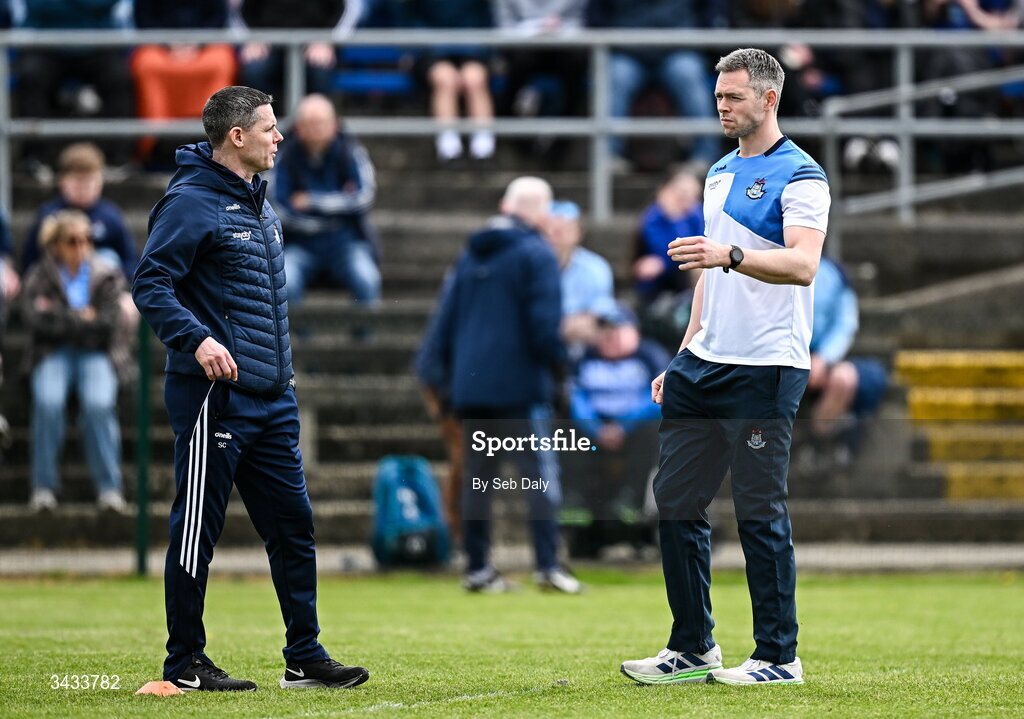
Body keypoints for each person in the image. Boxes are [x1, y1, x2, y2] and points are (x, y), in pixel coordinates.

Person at [132, 86, 370, 691]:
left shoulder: (260, 202)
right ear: (236, 137)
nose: (279, 136)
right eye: (268, 127)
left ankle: (304, 656)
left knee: (294, 526)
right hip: (217, 396)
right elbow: (151, 284)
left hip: (272, 396)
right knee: (197, 533)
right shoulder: (190, 202)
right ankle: (184, 662)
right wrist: (197, 340)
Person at [619, 49, 830, 687]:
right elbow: (707, 279)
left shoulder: (803, 175)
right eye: (718, 95)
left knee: (759, 511)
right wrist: (685, 350)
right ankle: (693, 646)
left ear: (769, 99)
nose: (722, 105)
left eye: (734, 96)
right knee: (675, 500)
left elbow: (803, 265)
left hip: (765, 367)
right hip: (704, 363)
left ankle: (777, 657)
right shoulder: (715, 172)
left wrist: (730, 252)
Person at [424, 176, 580, 594]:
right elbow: (545, 328)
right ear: (542, 213)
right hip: (520, 387)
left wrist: (436, 375)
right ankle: (548, 566)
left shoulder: (470, 253)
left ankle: (477, 569)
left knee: (478, 479)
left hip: (471, 387)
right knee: (540, 479)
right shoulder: (537, 254)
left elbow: (446, 319)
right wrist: (562, 373)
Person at [20, 210, 129, 513]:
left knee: (98, 404)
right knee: (47, 402)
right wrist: (82, 318)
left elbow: (108, 324)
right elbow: (34, 321)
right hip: (52, 352)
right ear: (55, 244)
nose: (80, 246)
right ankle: (43, 487)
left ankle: (109, 489)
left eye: (85, 239)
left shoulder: (105, 272)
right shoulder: (38, 274)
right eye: (71, 240)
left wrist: (59, 314)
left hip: (96, 352)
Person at [565, 302, 667, 557]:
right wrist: (597, 429)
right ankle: (578, 507)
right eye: (605, 332)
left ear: (635, 332)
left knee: (652, 434)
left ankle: (632, 503)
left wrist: (623, 426)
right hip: (596, 431)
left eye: (617, 330)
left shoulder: (650, 356)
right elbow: (576, 400)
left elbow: (658, 398)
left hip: (636, 431)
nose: (610, 338)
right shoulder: (585, 358)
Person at [270, 94, 380, 309]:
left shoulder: (351, 152)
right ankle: (297, 341)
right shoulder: (283, 156)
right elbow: (280, 208)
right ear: (298, 127)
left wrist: (311, 201)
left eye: (322, 123)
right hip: (299, 245)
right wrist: (340, 205)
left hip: (346, 243)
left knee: (368, 279)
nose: (316, 129)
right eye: (310, 123)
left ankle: (364, 341)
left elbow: (364, 197)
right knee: (285, 282)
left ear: (335, 125)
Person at [585, 0, 722, 166]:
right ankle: (607, 158)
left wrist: (699, 39)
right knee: (615, 77)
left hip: (679, 50)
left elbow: (710, 11)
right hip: (626, 52)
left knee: (688, 75)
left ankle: (705, 158)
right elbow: (595, 14)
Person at [801, 256, 888, 468]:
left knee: (845, 379)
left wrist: (824, 358)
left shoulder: (833, 274)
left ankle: (818, 445)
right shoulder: (766, 261)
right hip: (778, 358)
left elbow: (845, 323)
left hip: (818, 362)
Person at [130, 0, 238, 165]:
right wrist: (169, 43)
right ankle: (154, 143)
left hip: (204, 47)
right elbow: (144, 20)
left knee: (221, 62)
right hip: (161, 48)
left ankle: (216, 139)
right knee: (147, 63)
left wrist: (196, 42)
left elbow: (218, 19)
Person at [400, 0, 496, 163]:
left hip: (472, 48)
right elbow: (408, 19)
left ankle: (483, 148)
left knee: (474, 78)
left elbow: (487, 20)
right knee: (445, 79)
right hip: (428, 50)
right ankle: (449, 148)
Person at [22, 143, 137, 278]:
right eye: (77, 181)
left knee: (109, 257)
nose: (83, 188)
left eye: (89, 181)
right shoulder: (50, 215)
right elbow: (32, 258)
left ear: (101, 181)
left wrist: (124, 291)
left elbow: (130, 258)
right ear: (62, 181)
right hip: (58, 286)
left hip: (102, 289)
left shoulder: (110, 215)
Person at [239, 0, 356, 103]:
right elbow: (239, 10)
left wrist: (327, 40)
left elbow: (350, 9)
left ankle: (313, 124)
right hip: (268, 43)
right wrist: (251, 38)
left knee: (320, 71)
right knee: (255, 71)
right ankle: (265, 124)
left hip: (316, 44)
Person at [545, 200, 614, 351]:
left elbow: (602, 312)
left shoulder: (596, 267)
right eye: (552, 228)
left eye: (566, 228)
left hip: (582, 345)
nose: (558, 234)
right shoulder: (528, 267)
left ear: (579, 232)